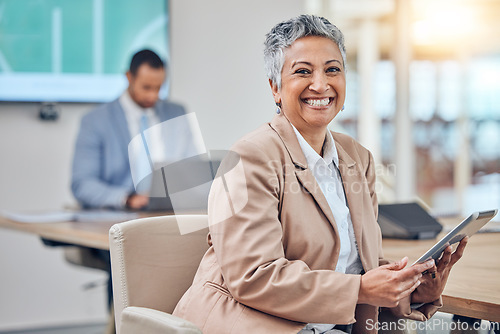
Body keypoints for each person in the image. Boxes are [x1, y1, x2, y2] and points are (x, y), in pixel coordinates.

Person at [173, 15, 468, 333]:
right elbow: (255, 276)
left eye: (332, 69)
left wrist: (412, 291)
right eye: (302, 71)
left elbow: (362, 266)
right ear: (275, 87)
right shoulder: (249, 159)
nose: (320, 84)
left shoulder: (357, 158)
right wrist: (360, 290)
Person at [72, 49, 197, 211]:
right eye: (146, 87)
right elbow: (82, 184)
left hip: (168, 213)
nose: (152, 96)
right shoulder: (96, 121)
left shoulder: (176, 113)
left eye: (158, 88)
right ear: (129, 78)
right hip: (116, 217)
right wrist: (127, 198)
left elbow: (193, 168)